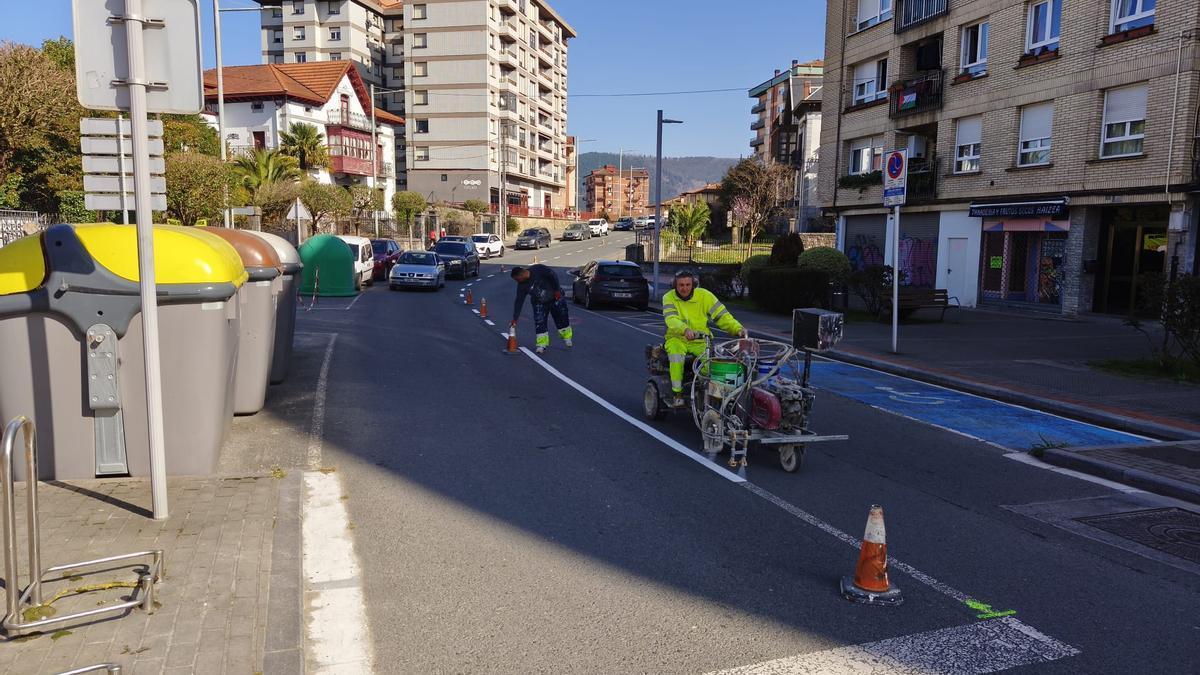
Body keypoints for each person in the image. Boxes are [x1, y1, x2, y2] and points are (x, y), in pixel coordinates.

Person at [662, 269, 746, 407]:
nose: (684, 288)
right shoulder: (668, 297)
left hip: (700, 340)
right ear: (675, 286)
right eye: (681, 285)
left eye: (688, 285)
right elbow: (671, 318)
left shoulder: (705, 296)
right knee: (676, 356)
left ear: (693, 285)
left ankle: (706, 392)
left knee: (711, 365)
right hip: (676, 338)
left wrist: (738, 329)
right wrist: (685, 329)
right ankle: (677, 393)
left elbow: (722, 316)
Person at [511, 265, 573, 354]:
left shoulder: (538, 269)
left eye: (517, 279)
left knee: (561, 317)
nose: (517, 282)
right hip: (539, 302)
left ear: (521, 275)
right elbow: (519, 301)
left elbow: (553, 275)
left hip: (555, 296)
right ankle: (541, 345)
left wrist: (556, 290)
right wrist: (515, 318)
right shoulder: (522, 286)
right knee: (539, 321)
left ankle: (567, 338)